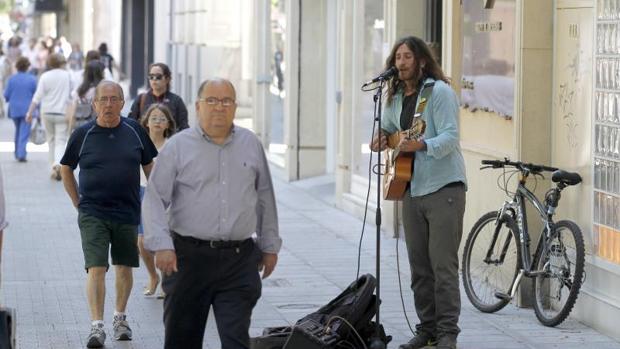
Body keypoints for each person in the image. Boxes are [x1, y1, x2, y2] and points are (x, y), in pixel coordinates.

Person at [142, 78, 281, 349]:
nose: (220, 107)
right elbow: (154, 198)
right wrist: (161, 245)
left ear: (235, 106)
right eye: (212, 101)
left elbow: (264, 196)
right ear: (198, 106)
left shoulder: (250, 143)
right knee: (182, 341)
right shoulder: (178, 146)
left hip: (239, 261)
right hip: (187, 260)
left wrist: (270, 245)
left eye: (226, 101)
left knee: (235, 340)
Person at [369, 36, 467, 349]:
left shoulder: (438, 93)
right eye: (397, 57)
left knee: (443, 266)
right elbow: (387, 131)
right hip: (409, 186)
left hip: (443, 188)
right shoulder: (394, 96)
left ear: (421, 61)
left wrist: (423, 144)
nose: (400, 62)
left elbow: (451, 137)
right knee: (419, 268)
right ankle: (427, 329)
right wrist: (382, 140)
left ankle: (448, 332)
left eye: (407, 56)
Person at [59, 81, 158, 348]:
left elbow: (150, 165)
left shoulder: (134, 130)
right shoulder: (83, 134)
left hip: (127, 209)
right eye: (103, 99)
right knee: (97, 267)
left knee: (124, 266)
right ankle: (96, 326)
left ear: (123, 103)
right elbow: (66, 168)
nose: (109, 104)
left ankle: (120, 318)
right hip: (93, 212)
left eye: (114, 99)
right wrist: (77, 201)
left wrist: (156, 201)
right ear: (94, 104)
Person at [137, 103, 176, 298]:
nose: (157, 122)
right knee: (142, 242)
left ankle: (165, 281)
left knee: (162, 239)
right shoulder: (140, 143)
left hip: (164, 197)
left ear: (168, 124)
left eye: (162, 119)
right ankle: (153, 276)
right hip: (140, 193)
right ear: (146, 122)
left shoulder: (172, 146)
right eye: (154, 118)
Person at [25, 53, 73, 181]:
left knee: (51, 140)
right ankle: (57, 164)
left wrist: (29, 113)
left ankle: (53, 168)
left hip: (46, 112)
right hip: (62, 112)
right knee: (61, 141)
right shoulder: (67, 75)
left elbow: (37, 96)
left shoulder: (45, 76)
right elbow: (72, 94)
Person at [127, 62, 189, 131]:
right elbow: (131, 125)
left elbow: (184, 128)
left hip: (169, 140)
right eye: (151, 76)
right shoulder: (141, 99)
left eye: (158, 77)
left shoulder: (176, 101)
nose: (154, 79)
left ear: (167, 79)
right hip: (145, 141)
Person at [3, 57, 37, 162]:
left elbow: (6, 95)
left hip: (14, 109)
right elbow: (36, 95)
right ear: (27, 67)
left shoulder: (12, 79)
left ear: (17, 67)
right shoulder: (32, 79)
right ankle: (21, 154)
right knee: (24, 131)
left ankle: (17, 152)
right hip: (27, 109)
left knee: (18, 130)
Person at [67, 60, 105, 132]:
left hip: (80, 127)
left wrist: (70, 131)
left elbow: (73, 113)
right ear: (100, 73)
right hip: (96, 128)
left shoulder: (80, 91)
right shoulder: (102, 89)